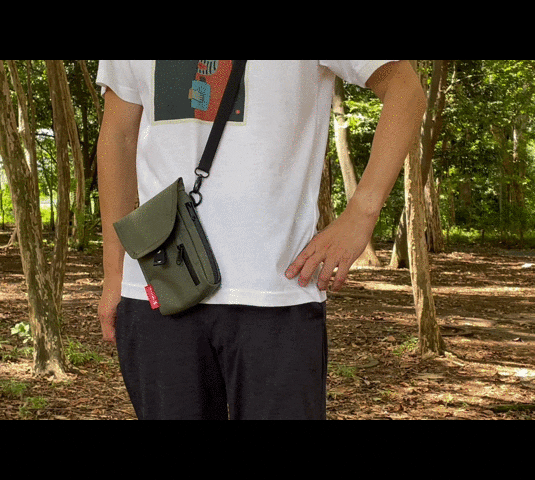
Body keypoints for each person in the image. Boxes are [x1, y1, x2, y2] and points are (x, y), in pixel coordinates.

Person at [96, 60, 426, 420]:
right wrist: (114, 274)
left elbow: (404, 89)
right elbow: (119, 136)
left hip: (277, 289)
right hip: (158, 286)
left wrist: (360, 216)